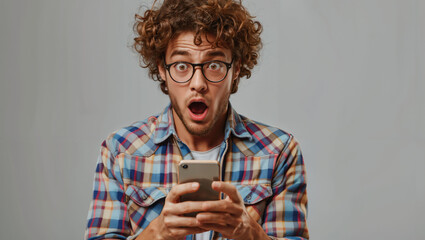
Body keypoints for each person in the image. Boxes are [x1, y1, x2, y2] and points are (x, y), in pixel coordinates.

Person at [85, 0, 309, 239]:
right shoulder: (120, 151)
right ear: (162, 68)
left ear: (236, 69)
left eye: (214, 65)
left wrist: (249, 233)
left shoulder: (279, 152)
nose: (198, 83)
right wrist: (157, 233)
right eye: (181, 65)